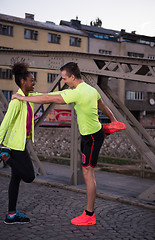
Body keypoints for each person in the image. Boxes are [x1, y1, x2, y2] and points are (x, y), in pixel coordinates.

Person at [12, 62, 117, 225]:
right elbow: (102, 106)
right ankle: (89, 213)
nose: (64, 81)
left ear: (72, 77)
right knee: (86, 171)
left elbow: (49, 98)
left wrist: (22, 97)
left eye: (64, 78)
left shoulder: (77, 93)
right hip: (90, 135)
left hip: (92, 137)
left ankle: (89, 215)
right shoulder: (90, 90)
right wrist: (113, 120)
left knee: (89, 174)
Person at [0, 62, 42, 224]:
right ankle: (5, 157)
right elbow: (5, 123)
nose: (34, 82)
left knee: (15, 180)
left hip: (20, 143)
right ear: (23, 81)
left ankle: (11, 215)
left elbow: (46, 96)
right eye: (32, 80)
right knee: (29, 176)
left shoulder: (28, 97)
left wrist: (68, 92)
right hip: (14, 146)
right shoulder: (16, 101)